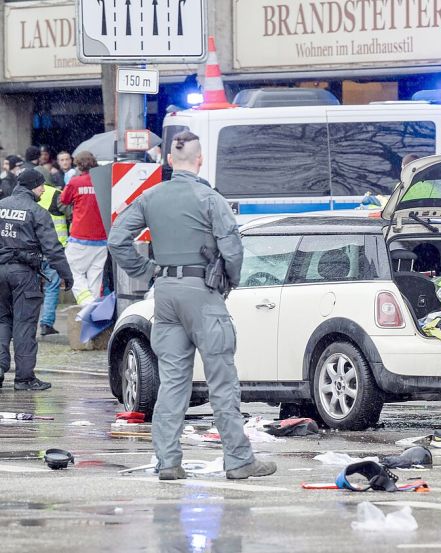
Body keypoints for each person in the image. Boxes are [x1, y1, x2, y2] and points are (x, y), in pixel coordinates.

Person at [109, 131, 276, 481]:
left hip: (165, 293)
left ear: (169, 160)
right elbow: (232, 249)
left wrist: (147, 271)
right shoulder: (209, 198)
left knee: (172, 383)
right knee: (222, 381)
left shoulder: (150, 197)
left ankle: (168, 462)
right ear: (200, 160)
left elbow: (117, 239)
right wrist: (229, 280)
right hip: (203, 293)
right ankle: (238, 460)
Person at [0, 170, 73, 391]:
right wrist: (66, 275)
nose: (43, 190)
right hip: (24, 274)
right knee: (24, 324)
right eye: (41, 186)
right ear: (33, 186)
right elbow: (53, 248)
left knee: (2, 321)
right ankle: (24, 379)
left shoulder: (1, 205)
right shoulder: (37, 212)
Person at [60, 151, 106, 306]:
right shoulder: (104, 181)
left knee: (71, 270)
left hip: (80, 235)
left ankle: (87, 303)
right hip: (101, 237)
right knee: (95, 276)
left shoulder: (75, 182)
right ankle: (93, 310)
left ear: (78, 165)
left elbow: (64, 200)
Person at [37, 177, 69, 336]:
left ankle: (23, 325)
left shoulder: (27, 196)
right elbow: (70, 215)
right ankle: (46, 323)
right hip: (53, 248)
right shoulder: (58, 194)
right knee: (51, 286)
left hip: (32, 249)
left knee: (28, 289)